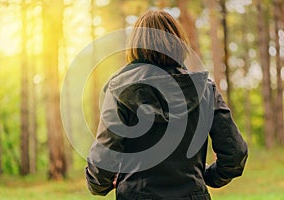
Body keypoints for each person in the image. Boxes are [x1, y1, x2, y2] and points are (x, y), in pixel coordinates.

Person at [85, 10, 248, 200]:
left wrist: (99, 185)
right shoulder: (205, 89)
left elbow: (103, 160)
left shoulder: (120, 90)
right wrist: (207, 177)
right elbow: (235, 153)